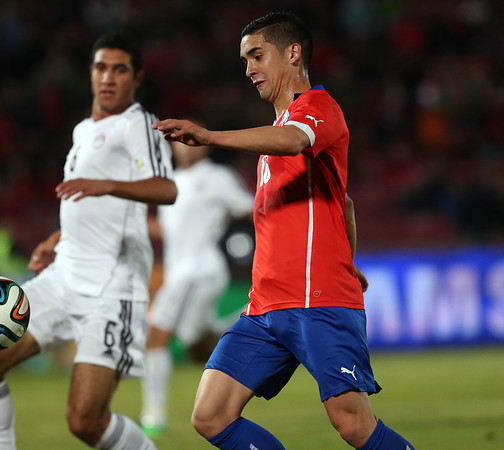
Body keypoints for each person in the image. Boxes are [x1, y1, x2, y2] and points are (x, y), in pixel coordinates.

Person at [153, 11, 415, 450]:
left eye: (257, 55)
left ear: (293, 53)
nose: (249, 69)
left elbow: (294, 140)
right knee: (210, 416)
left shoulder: (317, 108)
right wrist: (349, 259)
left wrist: (211, 137)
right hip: (266, 305)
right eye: (244, 61)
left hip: (318, 300)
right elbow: (343, 201)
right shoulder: (275, 131)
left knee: (352, 424)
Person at [0, 31, 176, 450]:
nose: (108, 77)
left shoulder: (139, 127)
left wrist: (106, 183)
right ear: (91, 73)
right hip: (63, 277)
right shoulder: (82, 131)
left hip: (112, 290)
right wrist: (57, 239)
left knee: (84, 421)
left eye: (120, 69)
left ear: (137, 78)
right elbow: (89, 204)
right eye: (101, 67)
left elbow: (165, 190)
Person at [140, 140, 254, 435]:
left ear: (202, 145)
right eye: (178, 141)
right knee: (198, 348)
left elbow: (250, 207)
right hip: (182, 273)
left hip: (198, 271)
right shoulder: (171, 182)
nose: (185, 146)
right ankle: (248, 323)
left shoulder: (217, 177)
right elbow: (168, 230)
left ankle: (154, 417)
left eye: (190, 140)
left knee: (155, 336)